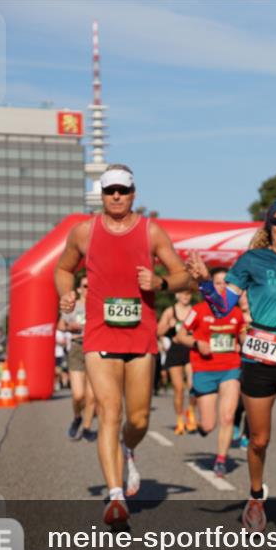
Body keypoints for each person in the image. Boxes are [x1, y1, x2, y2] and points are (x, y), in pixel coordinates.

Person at [55, 164, 192, 527]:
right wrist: (66, 294)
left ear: (134, 194)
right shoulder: (84, 232)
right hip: (99, 335)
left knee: (139, 419)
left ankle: (128, 449)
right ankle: (116, 497)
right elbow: (63, 269)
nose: (116, 196)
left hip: (140, 336)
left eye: (123, 190)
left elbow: (184, 277)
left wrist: (161, 284)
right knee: (109, 412)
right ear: (101, 194)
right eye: (110, 190)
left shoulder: (151, 232)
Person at [186, 198, 276, 541]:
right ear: (269, 225)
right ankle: (255, 496)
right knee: (259, 440)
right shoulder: (251, 261)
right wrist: (205, 282)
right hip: (260, 357)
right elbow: (222, 308)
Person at [184, 266, 246, 478]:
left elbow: (243, 336)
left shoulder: (236, 313)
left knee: (227, 417)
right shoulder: (199, 310)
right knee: (209, 424)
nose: (222, 288)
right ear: (211, 285)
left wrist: (244, 343)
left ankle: (221, 460)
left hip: (230, 368)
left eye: (226, 284)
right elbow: (180, 335)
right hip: (205, 368)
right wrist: (196, 343)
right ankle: (201, 422)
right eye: (218, 283)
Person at [59, 277, 97, 441]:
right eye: (85, 286)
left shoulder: (98, 305)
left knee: (91, 395)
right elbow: (60, 325)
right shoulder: (74, 306)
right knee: (78, 394)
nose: (88, 289)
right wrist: (70, 327)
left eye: (91, 286)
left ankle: (87, 428)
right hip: (77, 348)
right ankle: (77, 418)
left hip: (95, 349)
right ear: (80, 289)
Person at [157, 290, 199, 434]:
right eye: (183, 293)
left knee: (194, 386)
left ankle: (191, 412)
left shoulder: (194, 311)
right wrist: (168, 325)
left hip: (191, 349)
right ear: (177, 295)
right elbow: (158, 332)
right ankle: (180, 420)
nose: (186, 296)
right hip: (175, 350)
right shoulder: (170, 311)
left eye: (189, 294)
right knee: (178, 388)